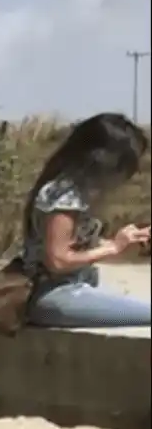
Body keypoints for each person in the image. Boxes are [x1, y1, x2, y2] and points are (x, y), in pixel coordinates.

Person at [19, 113, 150, 328]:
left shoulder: (71, 191)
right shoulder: (65, 196)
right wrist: (114, 248)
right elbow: (58, 261)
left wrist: (122, 242)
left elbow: (74, 248)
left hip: (71, 289)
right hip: (56, 295)